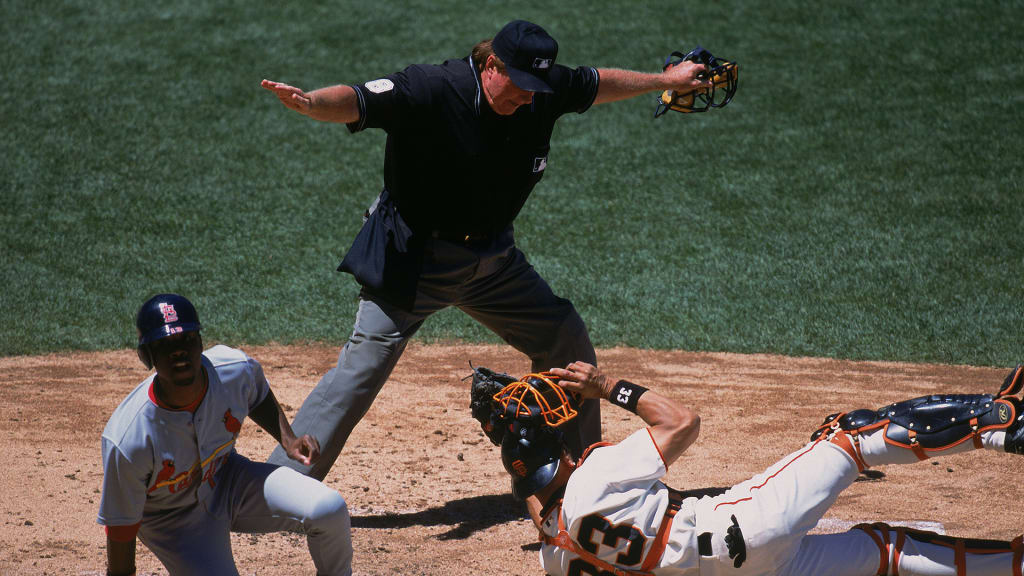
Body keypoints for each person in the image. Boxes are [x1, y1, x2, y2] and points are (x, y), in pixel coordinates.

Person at [259, 19, 713, 480]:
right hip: (415, 263)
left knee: (563, 336)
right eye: (519, 86)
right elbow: (359, 99)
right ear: (491, 65)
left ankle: (582, 476)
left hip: (495, 264)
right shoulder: (433, 88)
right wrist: (311, 103)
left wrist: (666, 80)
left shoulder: (539, 89)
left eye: (536, 88)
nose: (527, 97)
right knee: (357, 376)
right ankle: (282, 485)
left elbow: (596, 83)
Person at [484, 362, 1024, 576]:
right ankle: (1003, 424)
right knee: (850, 436)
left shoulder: (555, 557)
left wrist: (512, 448)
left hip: (747, 574)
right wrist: (609, 388)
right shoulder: (596, 476)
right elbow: (681, 422)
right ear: (563, 459)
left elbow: (541, 510)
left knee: (884, 554)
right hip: (748, 524)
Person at [97, 294, 353, 576]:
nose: (179, 352)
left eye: (186, 340)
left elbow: (256, 390)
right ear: (147, 356)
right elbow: (120, 528)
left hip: (228, 480)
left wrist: (288, 439)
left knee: (328, 508)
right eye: (165, 345)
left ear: (200, 342)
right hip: (171, 520)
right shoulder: (128, 439)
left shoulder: (232, 370)